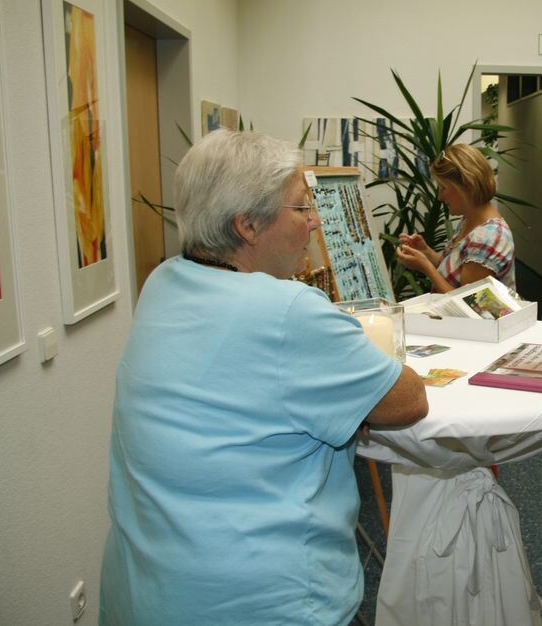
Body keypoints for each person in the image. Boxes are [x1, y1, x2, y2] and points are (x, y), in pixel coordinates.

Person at [99, 129, 429, 625]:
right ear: (248, 226)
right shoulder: (287, 310)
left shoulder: (163, 281)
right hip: (260, 602)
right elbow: (408, 400)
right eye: (301, 208)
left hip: (151, 589)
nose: (315, 222)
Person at [395, 143, 515, 292]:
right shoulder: (470, 220)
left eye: (443, 188)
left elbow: (466, 302)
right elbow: (456, 270)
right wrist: (426, 252)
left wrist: (426, 268)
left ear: (467, 187)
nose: (440, 197)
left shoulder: (488, 237)